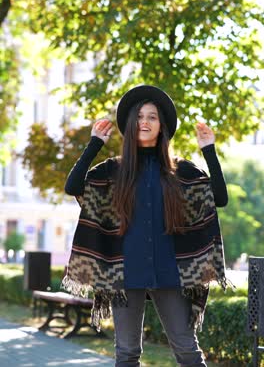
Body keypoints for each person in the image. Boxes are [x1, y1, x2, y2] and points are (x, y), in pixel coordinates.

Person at [63, 85, 228, 367]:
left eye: (152, 117)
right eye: (139, 116)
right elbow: (73, 186)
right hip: (125, 274)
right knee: (127, 354)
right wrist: (94, 144)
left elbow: (219, 198)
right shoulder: (112, 170)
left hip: (172, 274)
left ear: (161, 125)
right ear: (130, 124)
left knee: (188, 352)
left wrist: (209, 150)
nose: (145, 122)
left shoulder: (182, 171)